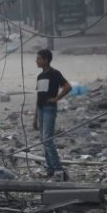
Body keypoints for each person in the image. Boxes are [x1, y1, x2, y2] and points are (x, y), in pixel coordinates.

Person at [33, 49, 71, 180]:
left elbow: (67, 87)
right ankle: (50, 169)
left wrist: (56, 98)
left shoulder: (54, 73)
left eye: (38, 58)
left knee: (48, 139)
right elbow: (39, 97)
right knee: (44, 140)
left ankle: (58, 169)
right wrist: (35, 118)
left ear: (46, 60)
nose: (36, 61)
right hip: (41, 109)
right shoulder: (40, 76)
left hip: (49, 108)